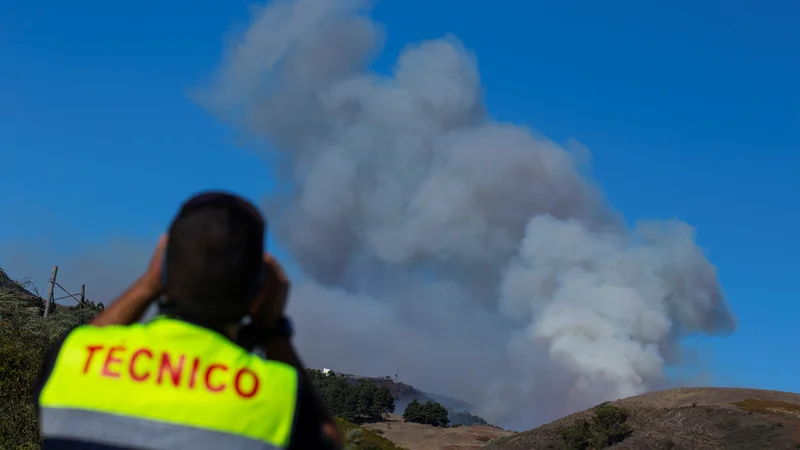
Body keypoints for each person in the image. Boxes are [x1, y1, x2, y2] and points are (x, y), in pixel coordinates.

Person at [33, 191, 343, 450]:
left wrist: (147, 284)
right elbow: (328, 438)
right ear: (260, 288)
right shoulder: (276, 395)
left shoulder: (75, 361)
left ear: (162, 264)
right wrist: (272, 330)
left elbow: (84, 343)